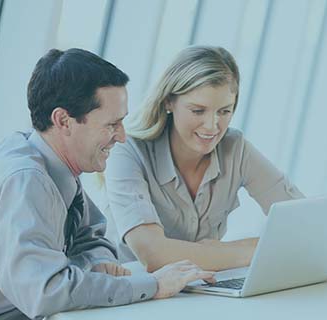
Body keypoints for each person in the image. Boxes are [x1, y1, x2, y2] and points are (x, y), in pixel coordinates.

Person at [0, 48, 213, 320]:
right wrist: (153, 285)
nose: (122, 137)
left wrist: (97, 262)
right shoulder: (25, 180)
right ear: (63, 121)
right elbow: (47, 291)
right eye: (112, 124)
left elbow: (92, 235)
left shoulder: (51, 164)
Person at [104, 45, 304, 273]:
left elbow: (302, 222)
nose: (212, 126)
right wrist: (252, 249)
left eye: (224, 111)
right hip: (131, 294)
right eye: (198, 111)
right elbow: (152, 254)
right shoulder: (128, 150)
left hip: (200, 292)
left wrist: (219, 253)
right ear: (169, 101)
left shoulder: (235, 148)